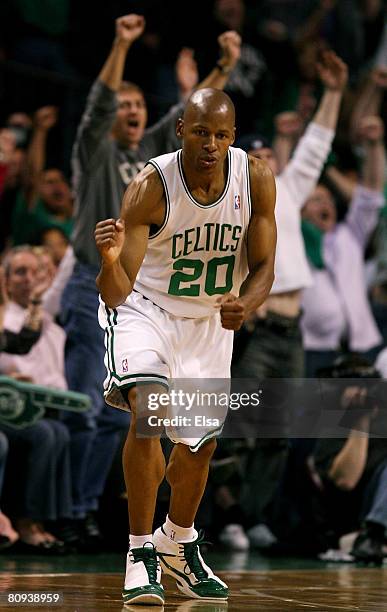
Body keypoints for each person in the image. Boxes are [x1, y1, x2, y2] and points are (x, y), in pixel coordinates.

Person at [60, 13, 242, 546]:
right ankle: (72, 512)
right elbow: (98, 106)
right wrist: (120, 44)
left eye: (139, 105)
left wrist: (222, 68)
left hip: (151, 291)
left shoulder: (154, 162)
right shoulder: (97, 151)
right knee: (94, 410)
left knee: (146, 415)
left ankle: (112, 516)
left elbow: (197, 120)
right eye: (125, 106)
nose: (134, 112)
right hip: (92, 282)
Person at [95, 88, 276, 604]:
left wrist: (248, 302)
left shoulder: (255, 178)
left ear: (233, 137)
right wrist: (108, 261)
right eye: (201, 132)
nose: (211, 144)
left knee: (200, 449)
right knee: (148, 410)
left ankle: (176, 541)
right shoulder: (151, 186)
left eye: (221, 134)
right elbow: (116, 290)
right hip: (144, 308)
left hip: (207, 321)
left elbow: (265, 266)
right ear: (180, 131)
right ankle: (138, 552)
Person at [232, 50, 348, 544]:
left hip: (292, 330)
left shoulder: (289, 191)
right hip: (255, 331)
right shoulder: (230, 207)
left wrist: (336, 92)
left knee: (278, 432)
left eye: (268, 157)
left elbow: (317, 145)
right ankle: (226, 517)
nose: (264, 164)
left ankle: (254, 516)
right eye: (253, 158)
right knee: (240, 425)